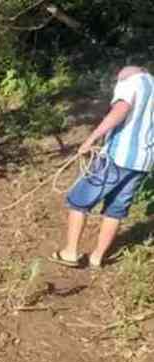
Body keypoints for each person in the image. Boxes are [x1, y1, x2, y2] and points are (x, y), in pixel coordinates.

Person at [51, 66, 154, 269]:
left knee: (79, 200)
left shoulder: (131, 83)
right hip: (143, 161)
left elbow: (120, 111)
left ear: (125, 75)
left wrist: (90, 140)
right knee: (116, 209)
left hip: (118, 156)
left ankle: (70, 252)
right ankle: (97, 257)